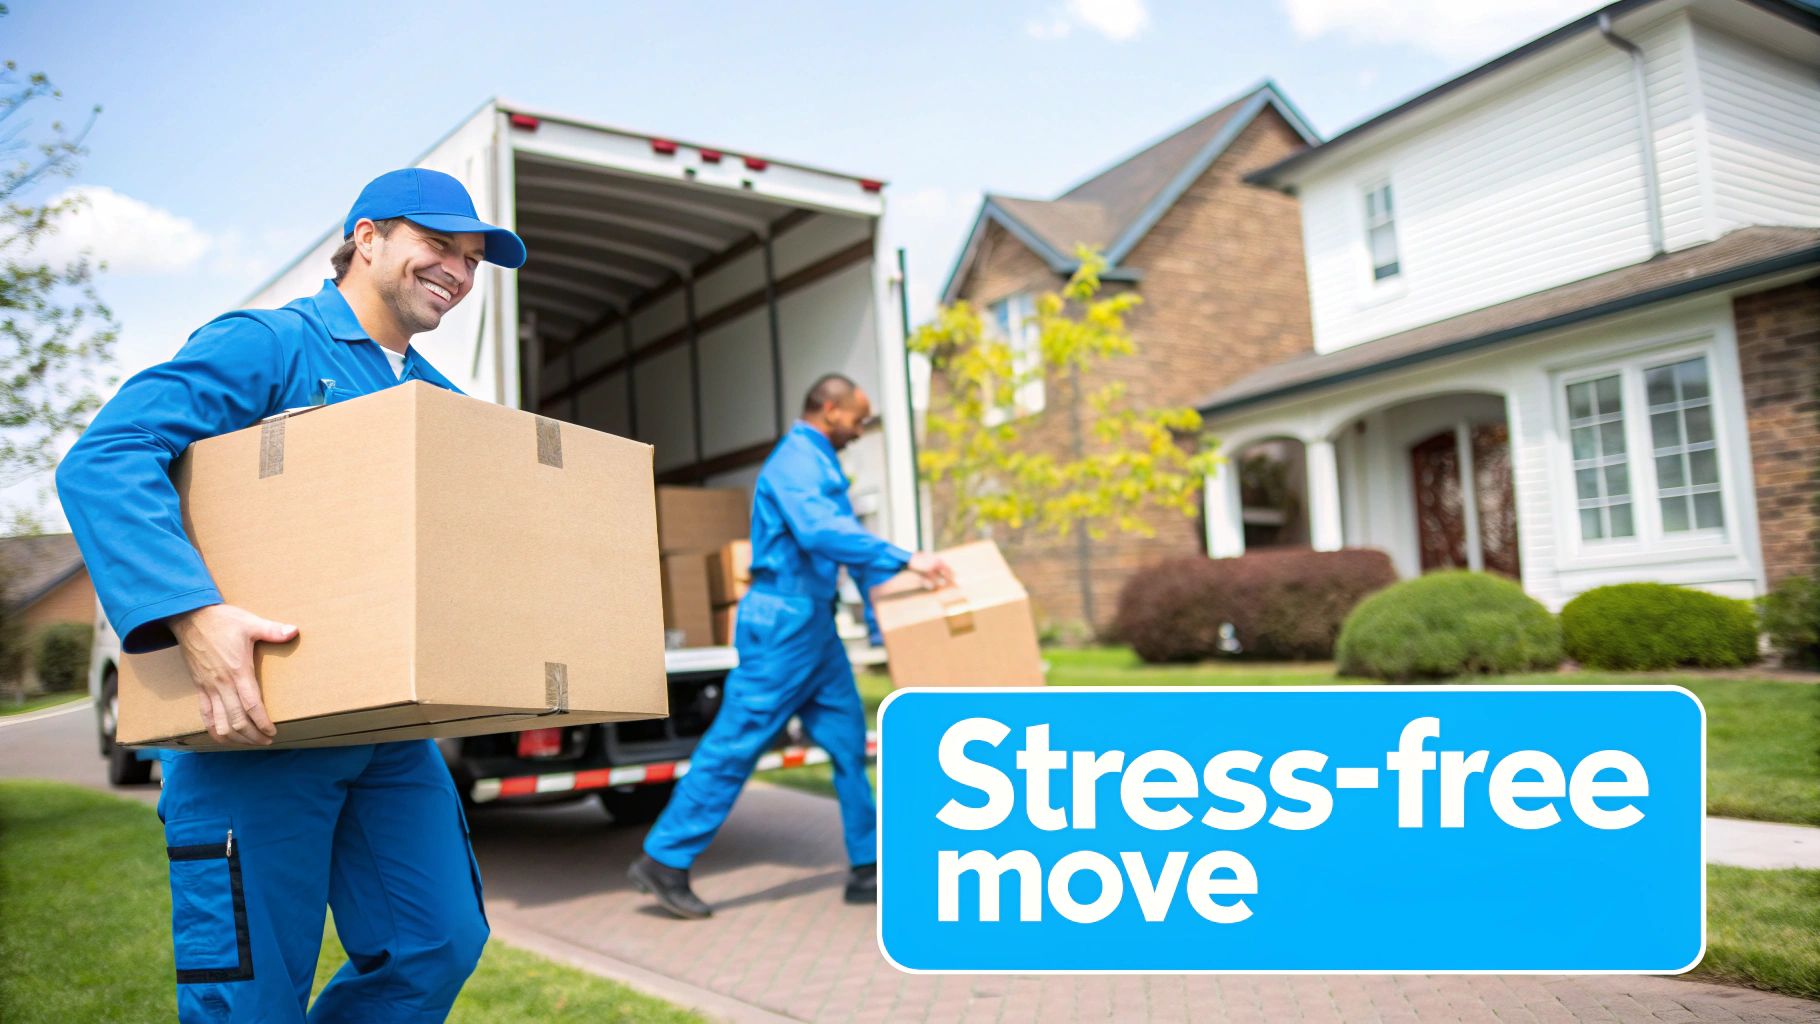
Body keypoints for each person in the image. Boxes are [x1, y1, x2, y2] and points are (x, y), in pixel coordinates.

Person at [57, 168, 527, 1023]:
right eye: (439, 246)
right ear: (368, 237)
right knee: (252, 1001)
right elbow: (107, 456)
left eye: (471, 259)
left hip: (387, 733)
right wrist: (192, 614)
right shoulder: (267, 344)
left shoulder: (439, 404)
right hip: (250, 724)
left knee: (437, 943)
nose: (458, 272)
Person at [629, 374, 952, 918]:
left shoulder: (821, 459)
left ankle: (866, 865)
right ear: (829, 409)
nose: (861, 428)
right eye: (858, 417)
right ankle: (664, 861)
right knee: (736, 743)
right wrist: (907, 557)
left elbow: (841, 546)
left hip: (814, 626)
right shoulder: (797, 461)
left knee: (849, 742)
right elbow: (822, 533)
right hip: (783, 623)